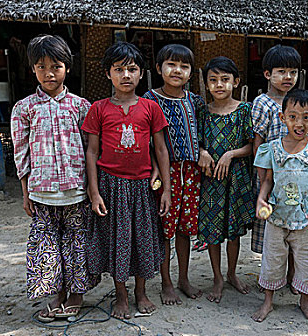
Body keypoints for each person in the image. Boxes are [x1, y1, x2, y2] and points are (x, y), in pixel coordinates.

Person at [11, 34, 97, 322]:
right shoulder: (24, 109)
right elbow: (21, 154)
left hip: (76, 191)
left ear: (67, 68)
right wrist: (25, 193)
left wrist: (92, 189)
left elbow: (90, 150)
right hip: (41, 193)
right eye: (41, 67)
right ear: (32, 69)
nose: (49, 73)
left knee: (77, 241)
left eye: (56, 66)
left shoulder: (81, 106)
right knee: (47, 244)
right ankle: (56, 295)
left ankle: (76, 296)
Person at [82, 42, 171, 319]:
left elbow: (160, 149)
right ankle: (120, 295)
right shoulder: (98, 109)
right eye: (119, 69)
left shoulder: (150, 107)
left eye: (132, 69)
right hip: (110, 185)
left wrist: (166, 188)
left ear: (141, 74)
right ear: (108, 74)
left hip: (143, 185)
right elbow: (92, 151)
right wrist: (94, 191)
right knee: (117, 241)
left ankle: (140, 292)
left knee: (142, 239)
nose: (126, 76)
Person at [252, 89, 308, 322]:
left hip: (306, 220)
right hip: (276, 218)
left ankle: (305, 302)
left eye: (306, 117)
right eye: (293, 116)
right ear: (282, 118)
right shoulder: (271, 148)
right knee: (271, 260)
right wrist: (261, 199)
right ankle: (268, 301)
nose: (299, 123)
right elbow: (268, 181)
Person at [143, 44, 205, 305]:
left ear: (191, 72)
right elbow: (145, 141)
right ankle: (166, 282)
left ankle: (183, 278)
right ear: (159, 68)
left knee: (184, 229)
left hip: (190, 173)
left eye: (184, 66)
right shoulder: (148, 100)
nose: (177, 70)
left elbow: (203, 134)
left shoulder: (195, 102)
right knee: (164, 230)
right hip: (163, 174)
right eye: (171, 64)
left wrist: (203, 150)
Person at [196, 57, 255, 303]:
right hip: (210, 180)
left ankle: (231, 273)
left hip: (236, 179)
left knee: (233, 232)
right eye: (213, 80)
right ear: (207, 84)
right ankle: (217, 277)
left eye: (224, 79)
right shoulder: (203, 111)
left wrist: (231, 154)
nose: (219, 85)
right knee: (212, 231)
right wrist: (203, 152)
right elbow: (196, 142)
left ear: (236, 82)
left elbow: (252, 146)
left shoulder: (244, 110)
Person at [252, 44, 301, 294]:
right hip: (270, 177)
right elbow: (258, 142)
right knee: (271, 230)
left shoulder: (298, 102)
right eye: (281, 71)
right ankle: (270, 276)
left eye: (293, 72)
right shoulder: (262, 103)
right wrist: (261, 177)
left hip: (297, 176)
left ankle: (292, 275)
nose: (288, 78)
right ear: (268, 74)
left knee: (295, 226)